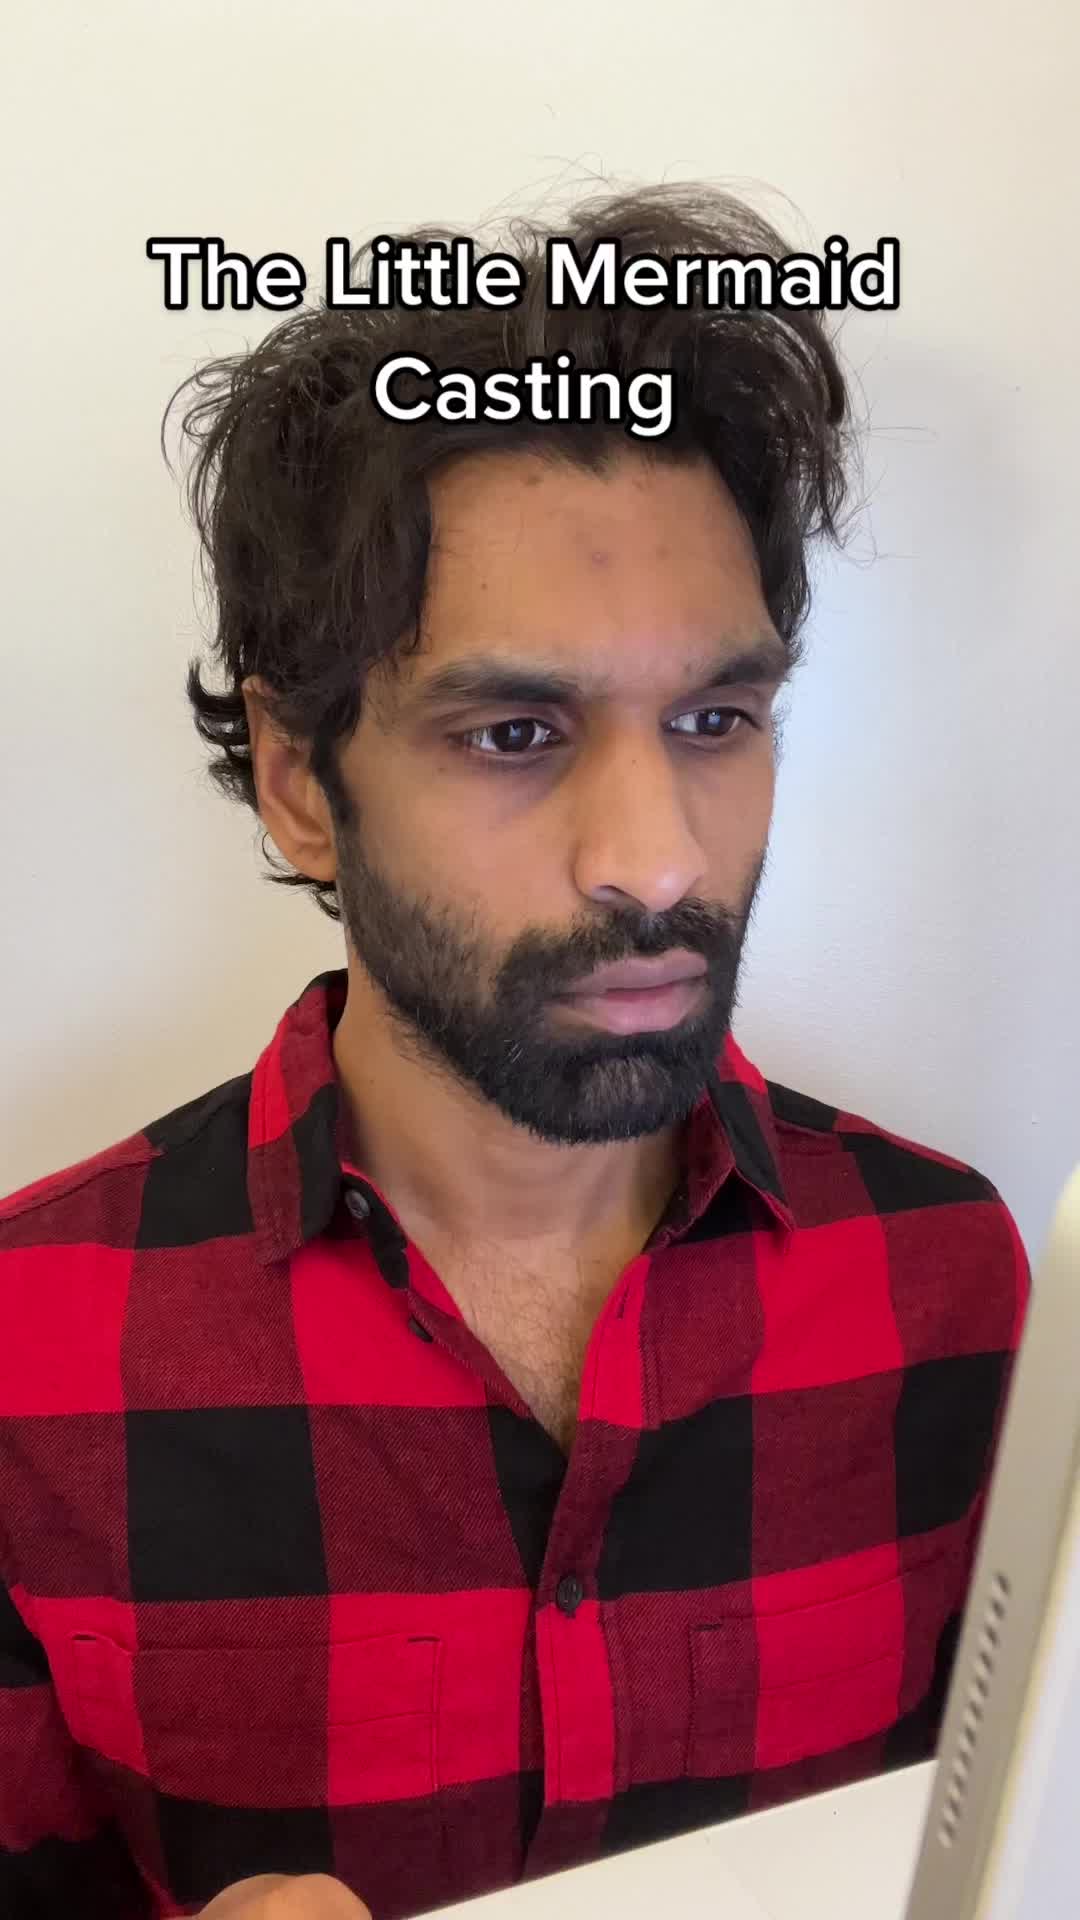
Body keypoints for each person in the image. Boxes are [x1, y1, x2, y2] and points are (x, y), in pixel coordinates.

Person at [0, 182, 1029, 1920]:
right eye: (514, 732)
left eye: (716, 718)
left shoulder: (950, 1282)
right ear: (300, 781)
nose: (660, 860)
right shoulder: (32, 1348)